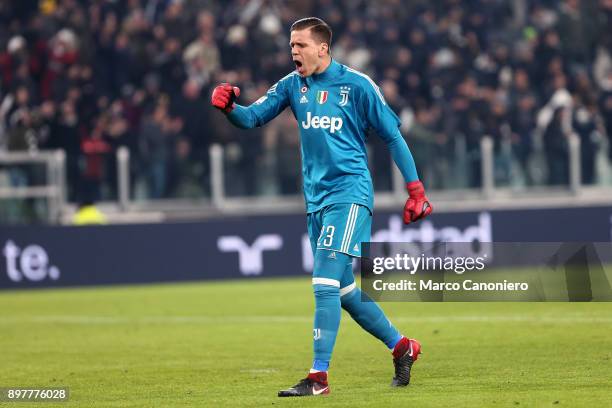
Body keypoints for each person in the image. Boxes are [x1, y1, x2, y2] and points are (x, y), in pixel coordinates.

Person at [211, 17, 433, 397]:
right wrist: (231, 107)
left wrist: (416, 190)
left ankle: (318, 378)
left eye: (300, 44)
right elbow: (252, 118)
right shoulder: (291, 86)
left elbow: (393, 136)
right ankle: (402, 347)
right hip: (315, 200)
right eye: (291, 45)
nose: (293, 51)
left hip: (349, 195)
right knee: (344, 291)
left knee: (324, 283)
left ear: (323, 48)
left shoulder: (358, 85)